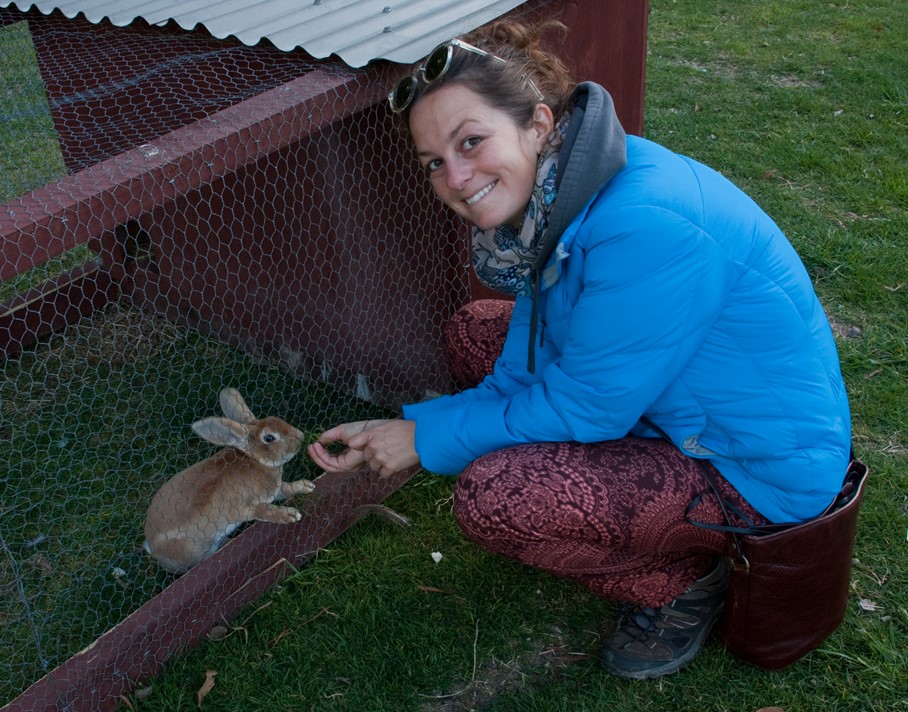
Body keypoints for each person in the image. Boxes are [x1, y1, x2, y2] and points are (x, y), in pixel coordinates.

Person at [307, 20, 852, 680]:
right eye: (433, 162)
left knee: (495, 498)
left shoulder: (643, 222)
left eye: (471, 141)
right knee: (476, 331)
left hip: (757, 473)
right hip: (675, 410)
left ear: (538, 123)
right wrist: (415, 427)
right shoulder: (558, 200)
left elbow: (588, 409)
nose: (454, 175)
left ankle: (683, 585)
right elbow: (528, 365)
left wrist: (425, 442)